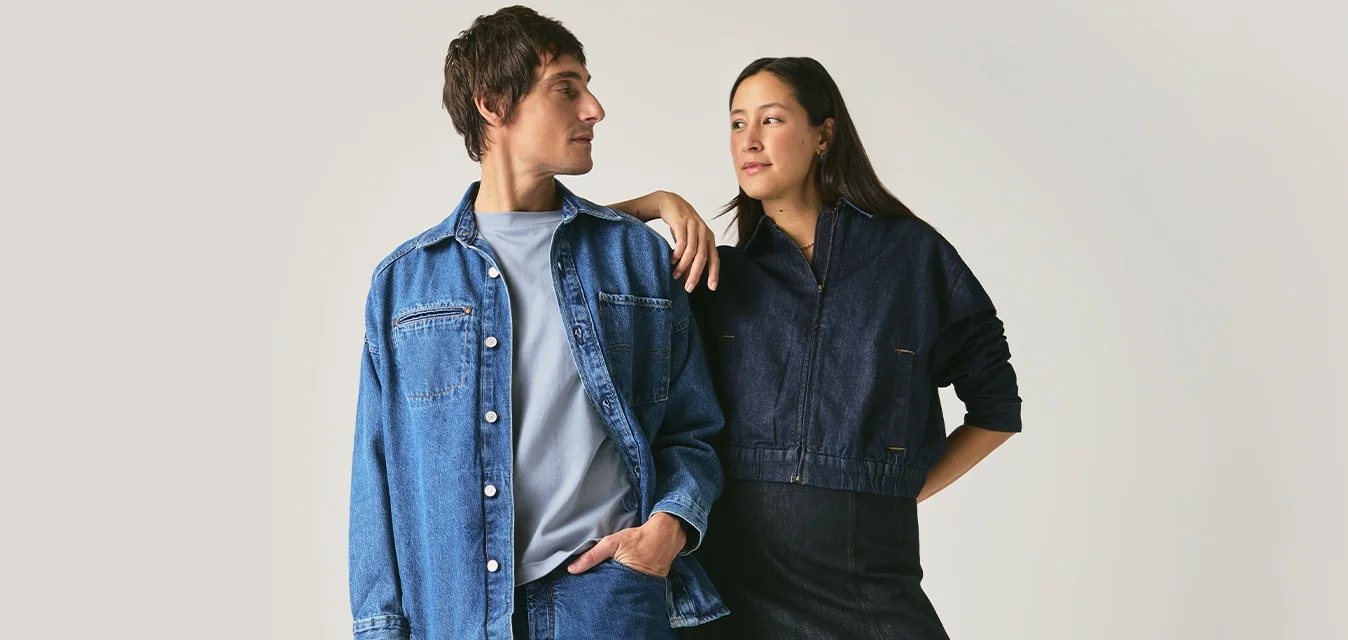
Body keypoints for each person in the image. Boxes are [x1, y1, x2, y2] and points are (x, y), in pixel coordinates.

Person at [347, 7, 728, 639]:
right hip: (457, 617)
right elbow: (376, 474)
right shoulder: (405, 284)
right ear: (493, 104)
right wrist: (381, 629)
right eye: (566, 87)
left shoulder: (635, 257)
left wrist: (668, 530)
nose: (595, 109)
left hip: (609, 602)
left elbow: (693, 430)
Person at [615, 57, 1023, 639]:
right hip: (732, 591)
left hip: (869, 588)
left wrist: (894, 489)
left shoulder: (912, 258)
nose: (749, 141)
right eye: (736, 124)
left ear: (824, 134)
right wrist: (657, 203)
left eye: (771, 120)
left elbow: (997, 410)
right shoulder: (713, 278)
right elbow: (557, 241)